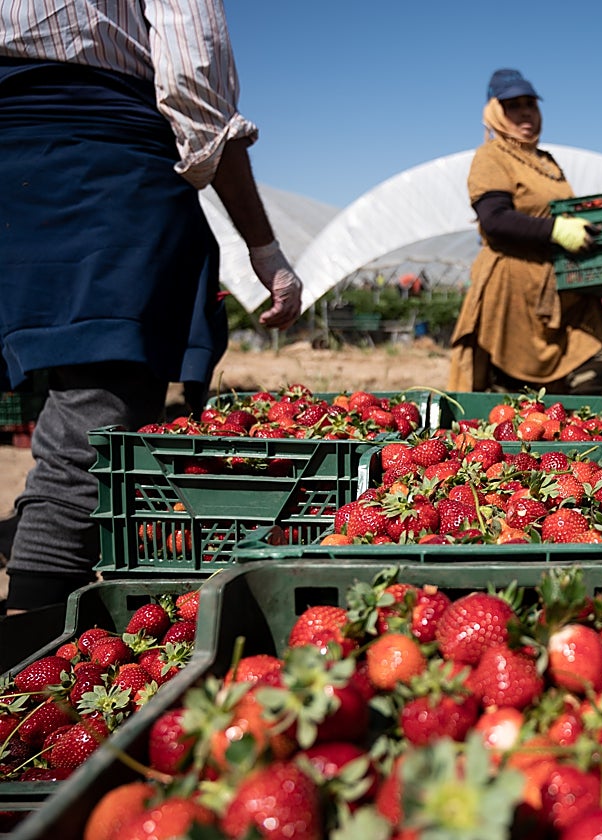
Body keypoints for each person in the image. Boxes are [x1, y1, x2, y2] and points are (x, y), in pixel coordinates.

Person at [1, 1, 302, 613]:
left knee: (82, 432)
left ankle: (32, 595)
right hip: (105, 170)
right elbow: (194, 80)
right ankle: (31, 640)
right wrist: (264, 248)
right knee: (93, 425)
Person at [448, 68, 602, 395]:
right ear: (495, 111)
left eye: (530, 105)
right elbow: (494, 220)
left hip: (557, 289)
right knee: (513, 396)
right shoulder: (492, 157)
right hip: (512, 291)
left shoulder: (548, 162)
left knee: (580, 387)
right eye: (513, 106)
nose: (525, 113)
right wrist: (555, 230)